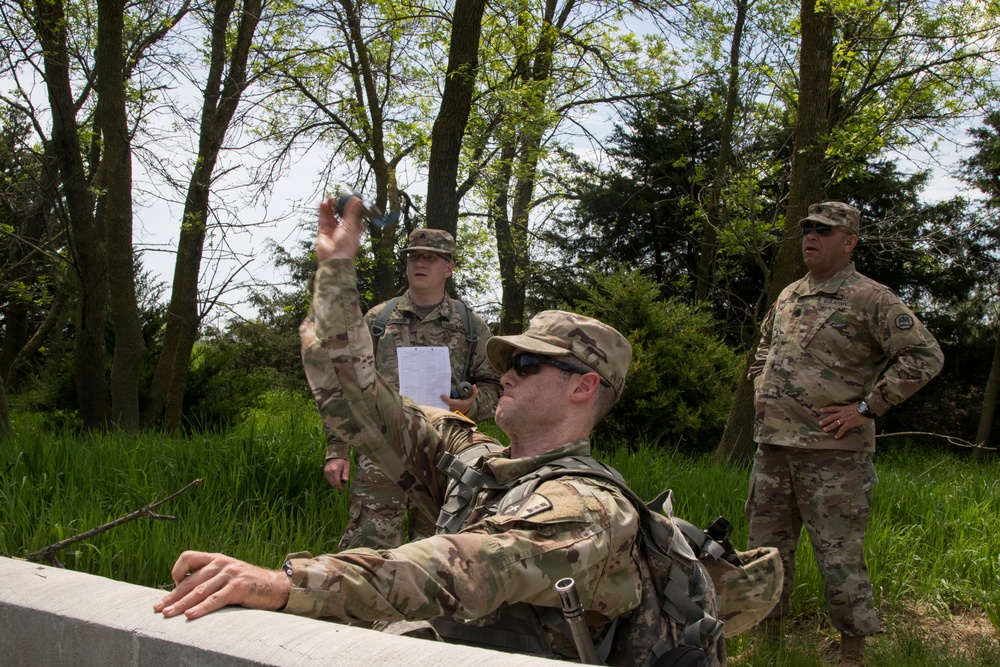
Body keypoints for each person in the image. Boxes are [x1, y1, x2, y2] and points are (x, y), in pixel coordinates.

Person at [154, 195, 726, 666]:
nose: (505, 374)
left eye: (526, 365)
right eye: (508, 360)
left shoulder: (586, 509)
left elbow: (456, 567)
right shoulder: (479, 460)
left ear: (583, 388)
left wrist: (286, 583)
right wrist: (334, 278)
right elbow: (363, 405)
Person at [746, 201, 944, 666]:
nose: (810, 236)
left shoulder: (870, 297)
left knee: (839, 556)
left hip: (833, 455)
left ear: (850, 240)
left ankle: (851, 653)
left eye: (824, 230)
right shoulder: (789, 295)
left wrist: (867, 407)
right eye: (807, 229)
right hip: (773, 448)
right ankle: (768, 646)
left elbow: (925, 356)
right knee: (765, 550)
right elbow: (763, 349)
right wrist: (761, 385)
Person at [325, 227, 502, 550]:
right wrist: (337, 451)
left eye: (431, 258)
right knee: (368, 553)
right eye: (415, 257)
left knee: (436, 555)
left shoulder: (469, 325)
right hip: (382, 453)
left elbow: (496, 386)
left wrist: (471, 407)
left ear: (449, 267)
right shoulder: (379, 320)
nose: (421, 264)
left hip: (443, 456)